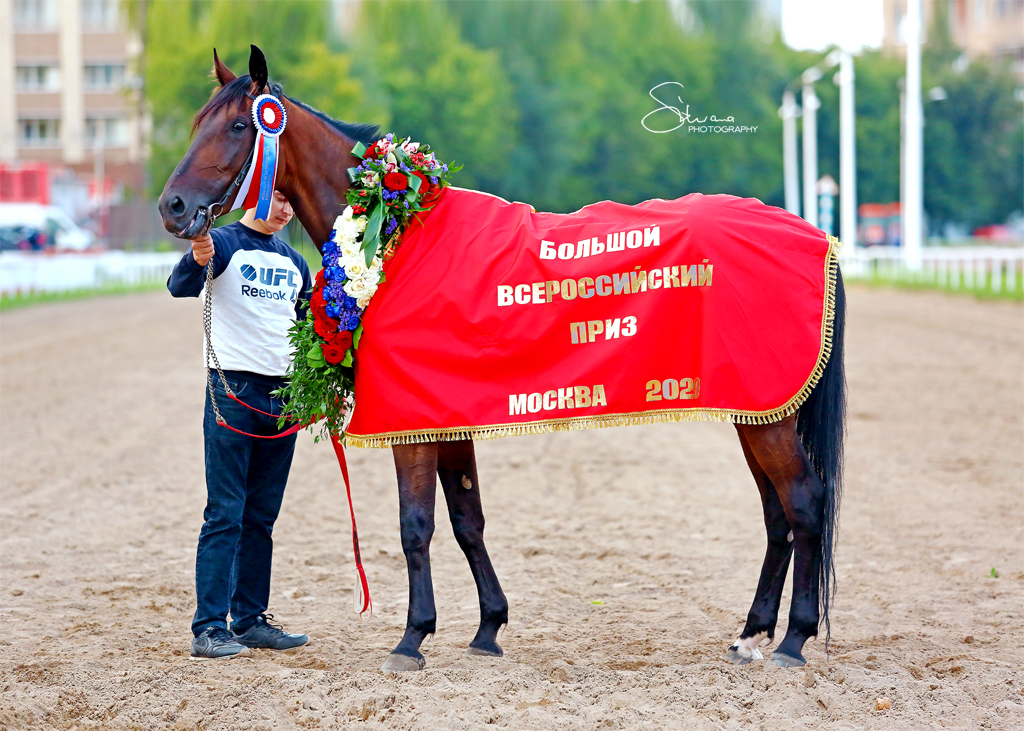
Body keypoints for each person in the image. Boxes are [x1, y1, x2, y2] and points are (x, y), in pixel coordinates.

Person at [167, 190, 312, 659]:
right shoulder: (224, 244)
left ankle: (250, 619)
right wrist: (196, 255)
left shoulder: (294, 261)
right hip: (233, 394)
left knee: (261, 518)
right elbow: (180, 286)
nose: (286, 209)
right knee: (225, 513)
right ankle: (208, 627)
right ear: (257, 195)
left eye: (292, 202)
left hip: (284, 398)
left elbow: (309, 325)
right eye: (279, 199)